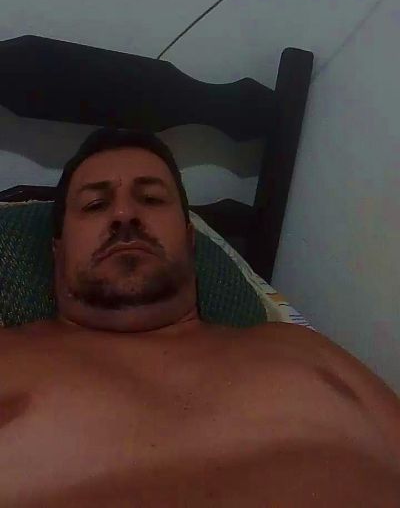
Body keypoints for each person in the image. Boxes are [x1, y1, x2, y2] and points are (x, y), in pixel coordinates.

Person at [0, 128, 399, 508]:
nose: (124, 214)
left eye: (151, 199)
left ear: (192, 240)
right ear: (57, 253)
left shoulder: (302, 347)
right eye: (95, 205)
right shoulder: (10, 359)